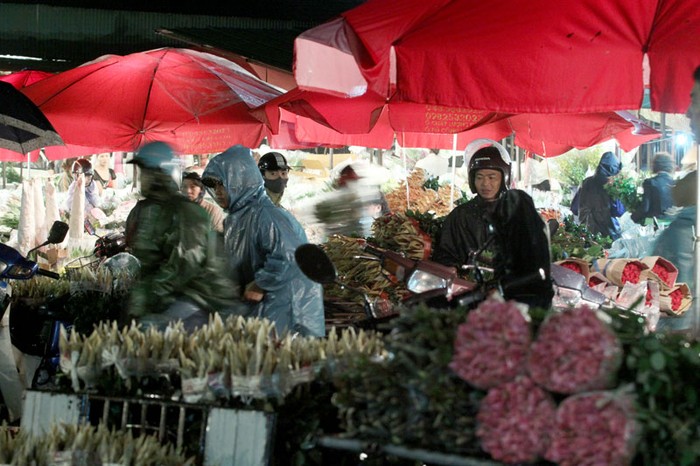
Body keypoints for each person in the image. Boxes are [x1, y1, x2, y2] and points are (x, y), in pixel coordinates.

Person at [202, 145, 325, 337]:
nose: (217, 191)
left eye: (222, 184)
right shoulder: (236, 218)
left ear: (240, 182)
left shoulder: (266, 215)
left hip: (291, 308)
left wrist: (259, 284)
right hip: (266, 308)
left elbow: (290, 256)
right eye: (214, 185)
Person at [124, 141, 235, 331]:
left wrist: (147, 293)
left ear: (161, 175)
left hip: (196, 301)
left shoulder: (185, 212)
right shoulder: (152, 209)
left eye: (146, 173)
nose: (142, 179)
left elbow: (184, 265)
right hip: (172, 298)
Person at [432, 140, 554, 309]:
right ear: (472, 180)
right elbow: (445, 253)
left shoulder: (515, 213)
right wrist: (452, 269)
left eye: (492, 177)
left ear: (504, 178)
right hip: (468, 290)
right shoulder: (460, 215)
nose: (485, 184)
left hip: (509, 293)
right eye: (479, 177)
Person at [571, 151, 625, 241]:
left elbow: (574, 209)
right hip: (609, 236)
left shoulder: (585, 183)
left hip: (586, 235)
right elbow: (619, 212)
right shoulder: (612, 186)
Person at [631, 152, 675, 225]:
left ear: (655, 165)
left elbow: (645, 208)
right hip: (671, 224)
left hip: (654, 224)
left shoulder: (650, 182)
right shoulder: (675, 182)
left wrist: (632, 219)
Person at [181, 168, 225, 233]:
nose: (188, 191)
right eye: (184, 187)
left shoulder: (212, 211)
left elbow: (217, 239)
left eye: (193, 187)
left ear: (201, 189)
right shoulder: (178, 208)